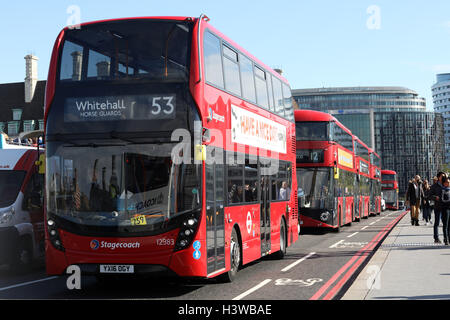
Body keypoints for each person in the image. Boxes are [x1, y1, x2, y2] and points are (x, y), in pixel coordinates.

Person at [430, 172, 448, 244]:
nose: (443, 177)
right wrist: (435, 197)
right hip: (437, 206)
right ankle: (436, 238)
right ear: (438, 177)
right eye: (442, 176)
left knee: (445, 223)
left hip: (445, 206)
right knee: (437, 223)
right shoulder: (434, 186)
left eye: (444, 176)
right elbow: (429, 195)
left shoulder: (446, 184)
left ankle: (446, 238)